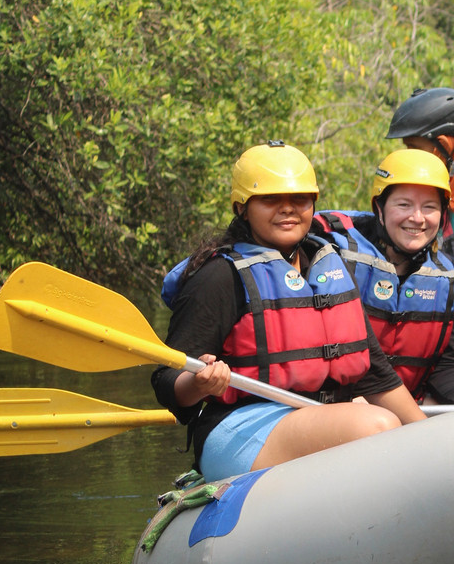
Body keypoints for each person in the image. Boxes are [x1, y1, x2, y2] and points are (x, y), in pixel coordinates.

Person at [152, 141, 425, 481]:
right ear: (242, 207)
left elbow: (375, 372)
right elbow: (167, 381)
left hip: (318, 417)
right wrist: (199, 384)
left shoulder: (330, 268)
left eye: (299, 200)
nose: (288, 210)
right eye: (270, 200)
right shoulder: (220, 275)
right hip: (242, 429)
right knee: (378, 424)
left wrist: (428, 439)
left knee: (393, 425)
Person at [315, 149, 454, 406]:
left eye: (429, 207)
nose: (417, 218)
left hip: (404, 420)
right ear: (379, 209)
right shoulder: (332, 251)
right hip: (338, 413)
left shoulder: (450, 277)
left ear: (442, 215)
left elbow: (449, 367)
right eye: (404, 204)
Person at [386, 87, 454, 284]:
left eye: (414, 148)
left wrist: (431, 275)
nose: (410, 157)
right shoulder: (420, 190)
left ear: (444, 145)